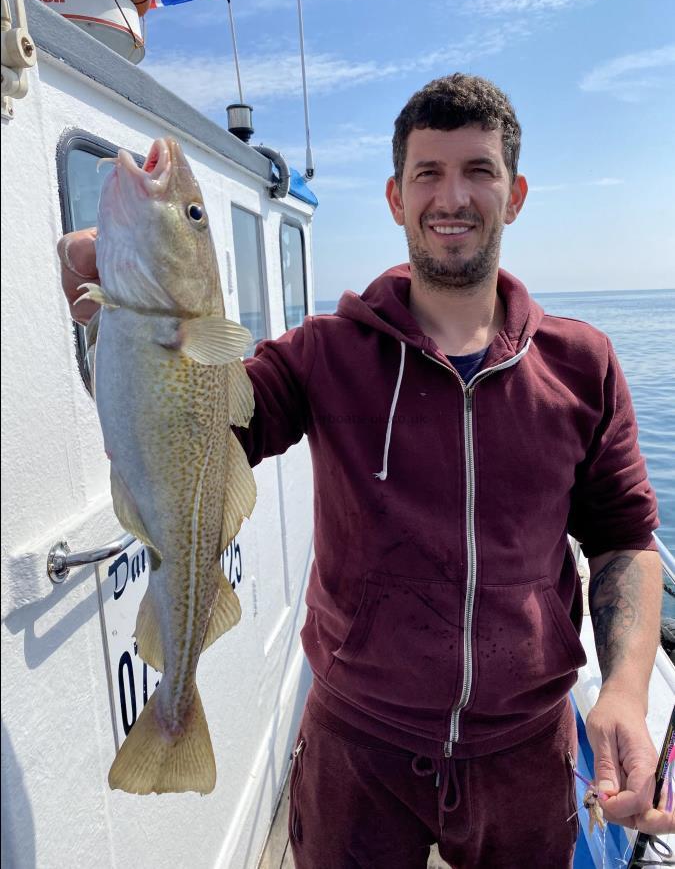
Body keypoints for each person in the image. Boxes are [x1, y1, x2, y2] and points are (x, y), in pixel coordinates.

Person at [59, 74, 672, 867]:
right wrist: (111, 323)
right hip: (356, 744)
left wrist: (623, 691)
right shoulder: (324, 352)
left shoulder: (580, 364)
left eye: (477, 171)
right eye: (428, 173)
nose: (451, 196)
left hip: (524, 747)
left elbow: (624, 536)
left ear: (513, 194)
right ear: (394, 196)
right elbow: (197, 431)